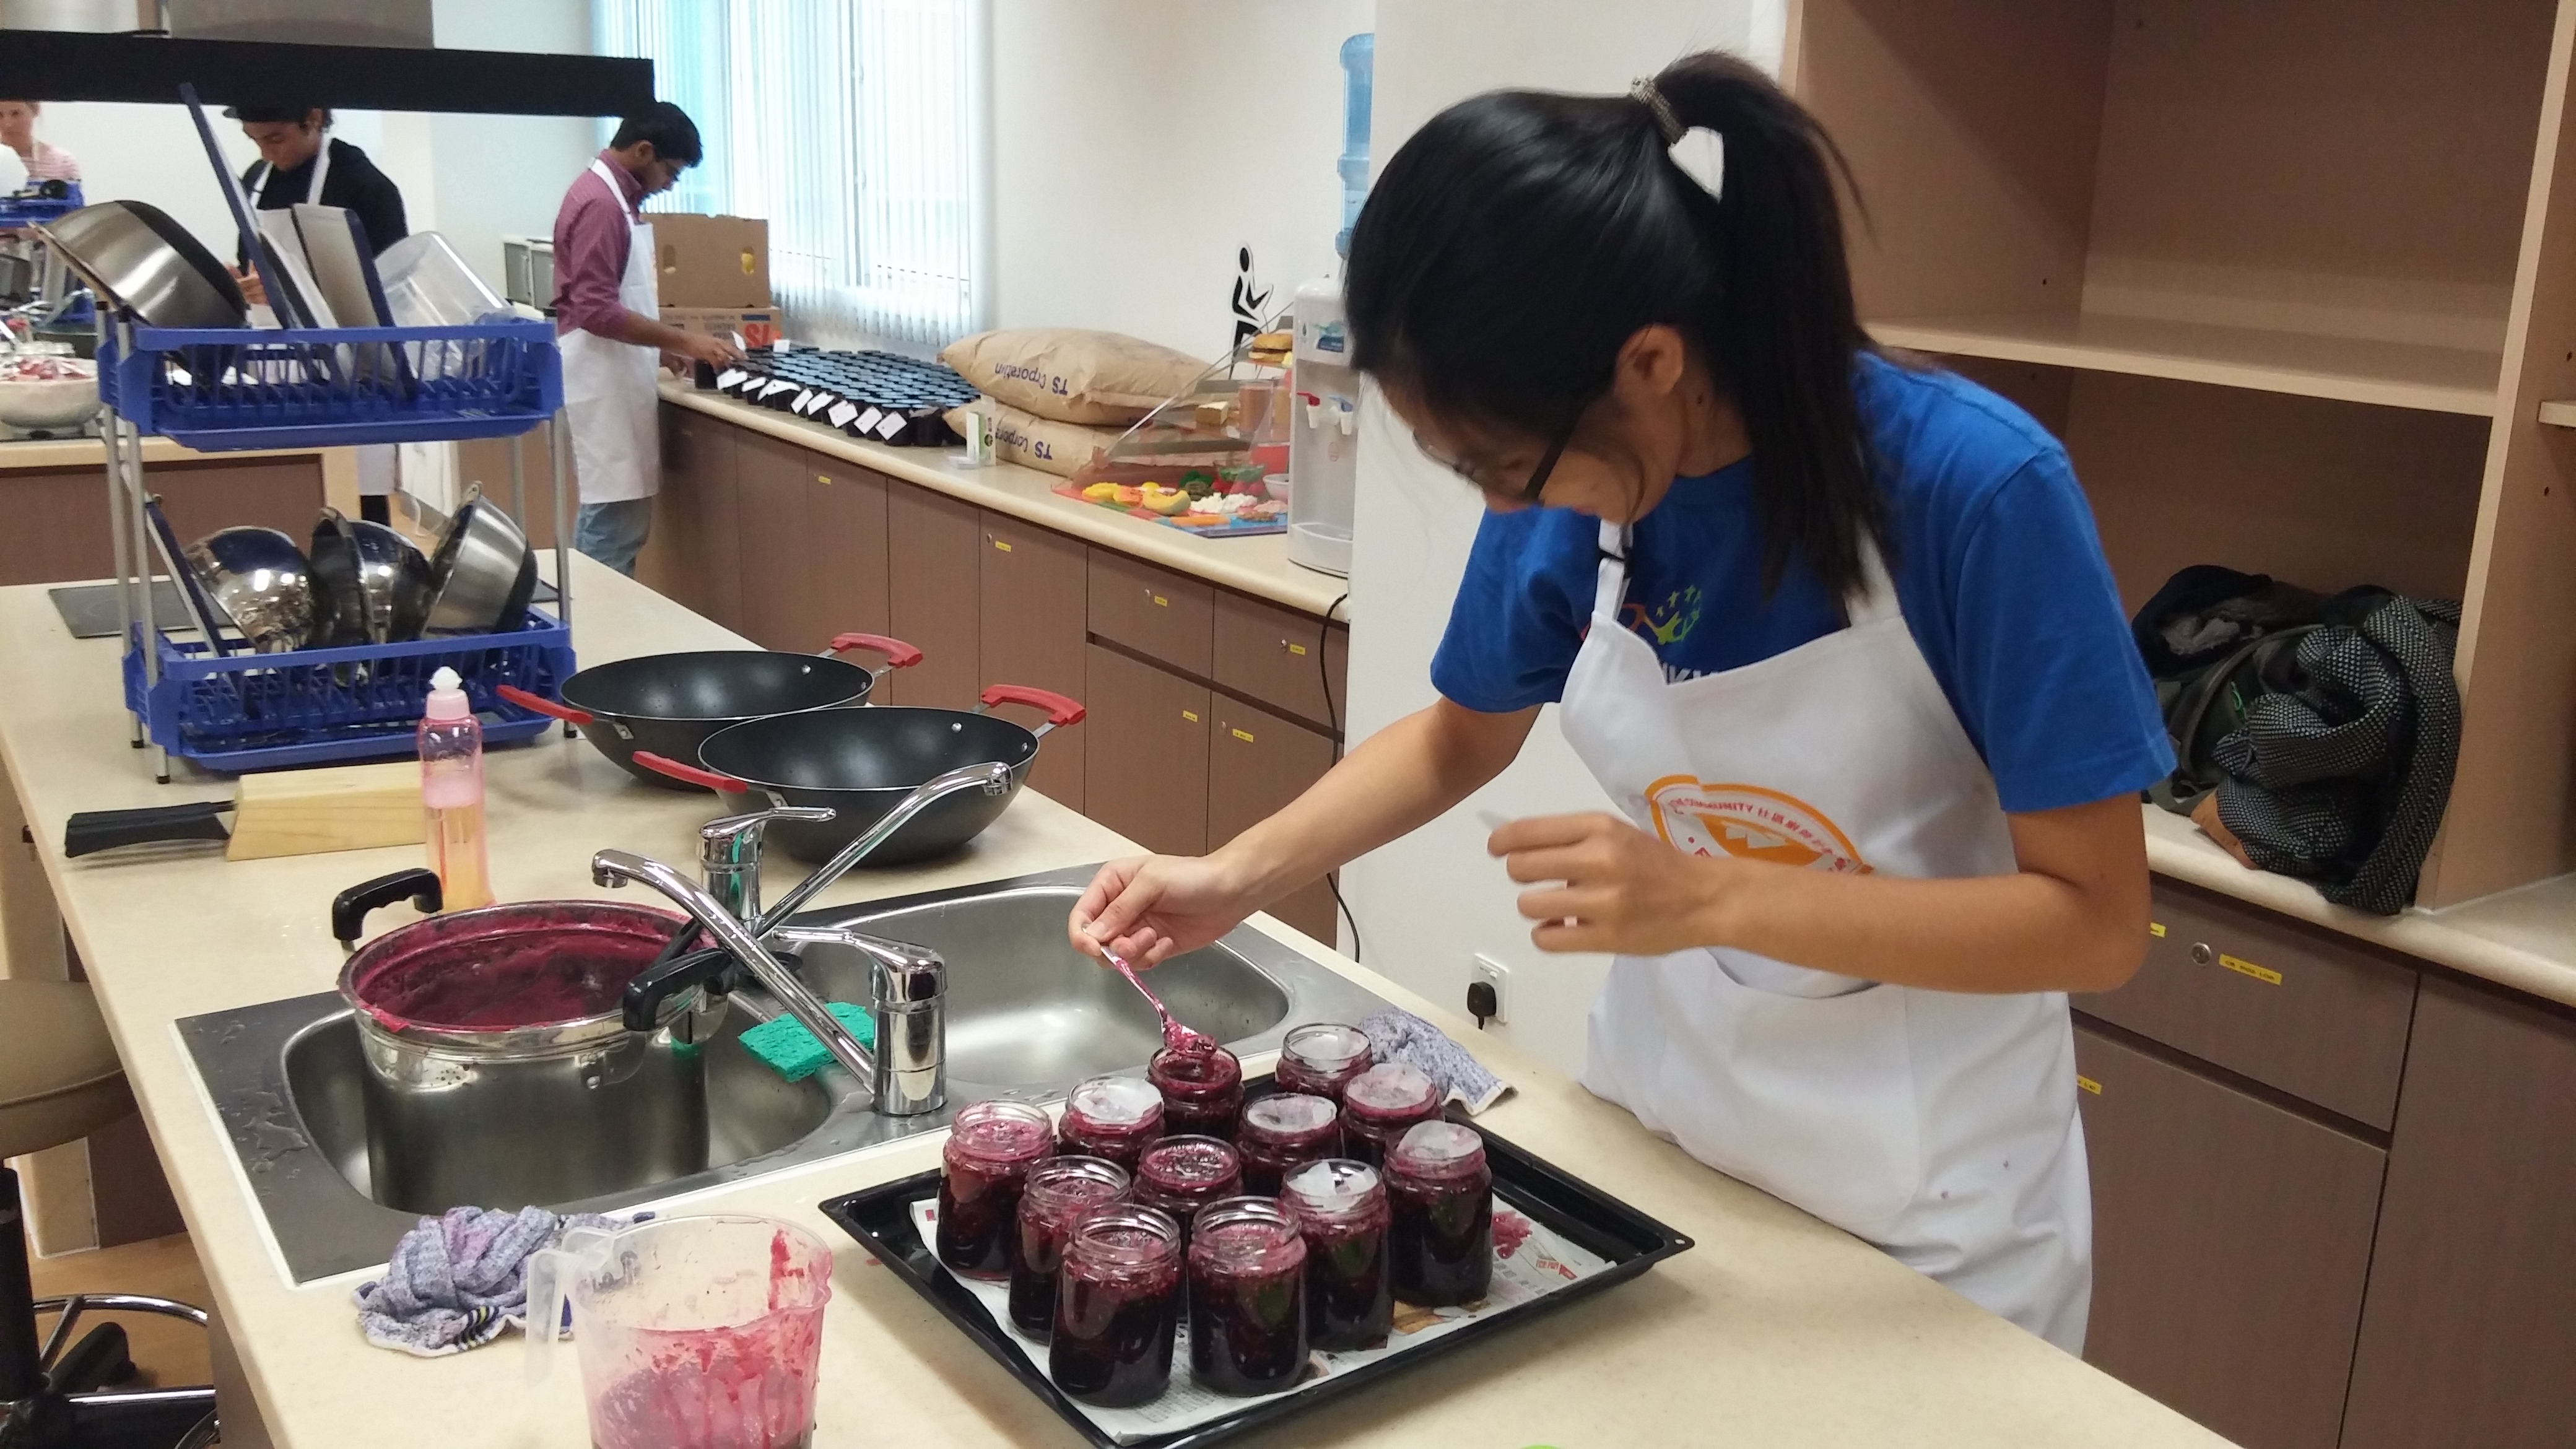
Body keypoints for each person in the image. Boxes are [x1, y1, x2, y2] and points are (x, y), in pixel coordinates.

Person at [1066, 53, 2174, 1355]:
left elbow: (2096, 923)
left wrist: (1712, 896)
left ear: (1649, 360)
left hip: (1933, 1217)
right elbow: (1459, 735)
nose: (1498, 506)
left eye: (1496, 460)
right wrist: (1241, 873)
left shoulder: (1974, 493)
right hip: (1668, 1139)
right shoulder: (1566, 490)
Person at [550, 102, 742, 577]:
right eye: (671, 172)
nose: (670, 185)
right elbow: (596, 310)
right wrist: (685, 342)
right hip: (600, 379)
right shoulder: (600, 205)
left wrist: (658, 347)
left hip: (613, 372)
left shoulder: (614, 198)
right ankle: (601, 639)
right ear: (643, 150)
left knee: (615, 525)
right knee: (611, 530)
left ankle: (600, 630)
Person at [227, 104, 409, 524]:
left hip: (354, 369)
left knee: (359, 505)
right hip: (276, 365)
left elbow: (387, 289)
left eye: (275, 138)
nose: (266, 153)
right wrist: (243, 284)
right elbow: (250, 258)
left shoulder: (365, 186)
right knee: (291, 495)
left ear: (312, 117)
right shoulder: (256, 182)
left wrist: (291, 295)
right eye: (254, 140)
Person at [0, 101, 78, 185]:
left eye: (16, 114)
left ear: (35, 111)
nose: (8, 124)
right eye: (0, 115)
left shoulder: (63, 163)